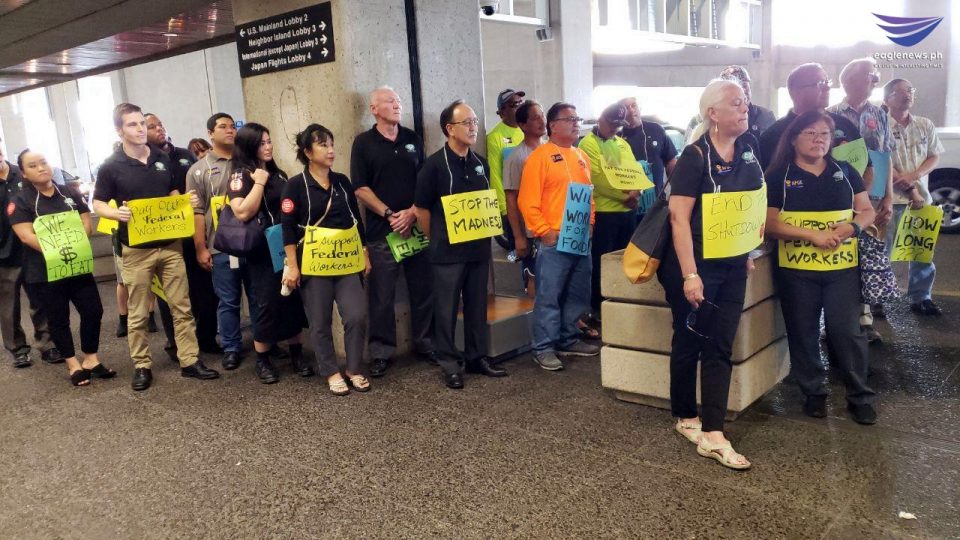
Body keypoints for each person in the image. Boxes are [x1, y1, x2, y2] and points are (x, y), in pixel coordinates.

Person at [658, 79, 763, 470]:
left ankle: (714, 433)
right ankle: (686, 415)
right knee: (689, 338)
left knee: (720, 342)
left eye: (745, 102)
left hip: (732, 263)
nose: (744, 108)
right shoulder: (694, 156)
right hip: (694, 264)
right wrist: (690, 275)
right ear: (712, 113)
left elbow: (749, 204)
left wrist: (746, 250)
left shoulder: (749, 148)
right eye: (736, 103)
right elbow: (678, 219)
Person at [93, 103, 219, 391]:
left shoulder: (161, 157)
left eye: (141, 123)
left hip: (171, 246)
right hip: (136, 249)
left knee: (182, 306)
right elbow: (97, 202)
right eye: (132, 125)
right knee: (138, 313)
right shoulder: (111, 166)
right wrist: (115, 213)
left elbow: (172, 193)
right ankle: (142, 365)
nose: (139, 129)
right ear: (119, 130)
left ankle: (189, 360)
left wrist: (185, 202)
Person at [764, 110, 877, 425]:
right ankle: (813, 392)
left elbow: (866, 210)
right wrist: (811, 236)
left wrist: (851, 228)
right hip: (796, 271)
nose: (819, 140)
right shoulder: (778, 176)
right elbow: (769, 224)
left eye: (825, 134)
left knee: (847, 331)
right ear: (794, 138)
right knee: (803, 332)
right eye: (811, 133)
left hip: (842, 270)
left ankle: (860, 395)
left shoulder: (846, 170)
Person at [415, 100, 507, 389]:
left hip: (478, 250)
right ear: (449, 129)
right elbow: (422, 210)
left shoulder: (480, 163)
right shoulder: (433, 166)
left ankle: (477, 357)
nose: (473, 127)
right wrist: (435, 239)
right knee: (446, 309)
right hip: (447, 253)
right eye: (466, 122)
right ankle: (449, 363)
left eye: (475, 122)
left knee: (477, 305)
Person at [9, 150, 115, 386]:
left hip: (77, 265)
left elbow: (85, 221)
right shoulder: (20, 201)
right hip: (45, 271)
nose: (41, 168)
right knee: (58, 319)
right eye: (33, 165)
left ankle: (91, 359)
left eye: (43, 162)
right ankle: (72, 364)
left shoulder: (68, 192)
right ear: (24, 173)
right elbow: (26, 236)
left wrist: (76, 244)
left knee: (93, 310)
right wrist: (57, 250)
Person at [351, 86, 435, 377]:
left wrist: (412, 212)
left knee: (423, 289)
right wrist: (389, 214)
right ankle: (381, 351)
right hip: (382, 232)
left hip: (415, 226)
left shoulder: (412, 138)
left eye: (398, 100)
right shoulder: (363, 143)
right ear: (374, 109)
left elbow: (425, 180)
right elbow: (360, 188)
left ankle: (426, 343)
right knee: (382, 296)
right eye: (390, 101)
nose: (397, 105)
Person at [281, 124, 371, 396]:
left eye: (331, 144)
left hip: (346, 261)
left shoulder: (342, 181)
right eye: (323, 145)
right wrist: (293, 266)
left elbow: (356, 220)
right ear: (308, 152)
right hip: (314, 264)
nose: (330, 150)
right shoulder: (295, 185)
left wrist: (364, 252)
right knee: (319, 322)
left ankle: (353, 368)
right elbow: (288, 229)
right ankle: (331, 371)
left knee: (356, 315)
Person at [518, 102, 600, 371]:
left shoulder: (581, 155)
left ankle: (568, 338)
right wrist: (544, 231)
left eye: (577, 119)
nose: (576, 123)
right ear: (553, 125)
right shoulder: (539, 157)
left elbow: (589, 195)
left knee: (577, 293)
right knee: (549, 296)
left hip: (580, 238)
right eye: (570, 119)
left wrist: (590, 223)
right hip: (553, 240)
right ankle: (543, 347)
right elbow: (526, 200)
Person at [227, 123, 309, 383]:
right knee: (267, 303)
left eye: (269, 141)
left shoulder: (278, 173)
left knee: (292, 299)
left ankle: (296, 353)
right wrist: (259, 183)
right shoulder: (241, 175)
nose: (268, 146)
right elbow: (242, 211)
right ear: (249, 146)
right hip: (261, 251)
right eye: (262, 143)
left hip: (286, 245)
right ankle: (262, 359)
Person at [828, 58, 895, 340]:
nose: (876, 79)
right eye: (870, 74)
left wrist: (889, 197)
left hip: (873, 196)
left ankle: (865, 318)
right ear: (849, 80)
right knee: (840, 254)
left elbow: (886, 156)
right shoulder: (830, 114)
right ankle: (836, 320)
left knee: (867, 257)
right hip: (839, 196)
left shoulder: (880, 114)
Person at [187, 113, 259, 371]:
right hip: (220, 245)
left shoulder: (249, 162)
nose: (230, 130)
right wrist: (200, 247)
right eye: (222, 127)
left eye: (232, 126)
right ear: (210, 133)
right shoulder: (198, 170)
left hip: (252, 242)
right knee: (228, 300)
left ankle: (264, 342)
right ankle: (231, 347)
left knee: (257, 295)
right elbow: (197, 212)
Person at [145, 113, 220, 355]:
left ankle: (207, 339)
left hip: (192, 234)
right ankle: (176, 343)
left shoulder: (184, 155)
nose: (159, 128)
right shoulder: (145, 162)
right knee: (170, 295)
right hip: (166, 238)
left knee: (205, 291)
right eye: (152, 126)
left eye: (160, 124)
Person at [883, 79, 944, 316]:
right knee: (883, 252)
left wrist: (914, 176)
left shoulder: (924, 124)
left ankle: (921, 297)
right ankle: (878, 298)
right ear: (887, 99)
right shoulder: (880, 125)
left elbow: (934, 156)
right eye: (899, 92)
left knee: (921, 252)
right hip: (889, 199)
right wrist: (906, 183)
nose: (907, 95)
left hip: (921, 201)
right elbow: (881, 159)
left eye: (910, 90)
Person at [578, 103, 640, 317]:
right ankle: (598, 307)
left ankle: (620, 303)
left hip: (627, 213)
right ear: (601, 119)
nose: (615, 128)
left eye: (619, 125)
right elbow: (598, 178)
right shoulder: (588, 144)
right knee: (601, 262)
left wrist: (637, 191)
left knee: (624, 261)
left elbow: (635, 171)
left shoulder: (622, 144)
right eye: (612, 124)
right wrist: (626, 197)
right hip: (604, 213)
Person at [0, 138, 58, 367]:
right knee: (8, 304)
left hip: (33, 247)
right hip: (4, 253)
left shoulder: (24, 173)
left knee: (40, 298)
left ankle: (47, 344)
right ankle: (17, 348)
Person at [758, 63, 863, 171]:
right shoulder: (773, 136)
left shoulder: (844, 125)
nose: (827, 88)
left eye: (827, 82)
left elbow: (867, 167)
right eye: (820, 83)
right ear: (796, 92)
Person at [502, 100, 546, 295]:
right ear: (522, 125)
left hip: (552, 227)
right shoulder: (516, 157)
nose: (542, 121)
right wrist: (519, 237)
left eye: (542, 115)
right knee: (534, 275)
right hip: (530, 232)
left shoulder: (551, 150)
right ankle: (535, 312)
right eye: (535, 117)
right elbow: (511, 199)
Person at [487, 89, 526, 249]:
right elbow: (495, 175)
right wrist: (503, 208)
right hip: (512, 205)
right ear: (502, 112)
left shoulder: (528, 129)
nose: (520, 107)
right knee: (516, 251)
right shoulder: (495, 137)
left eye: (521, 103)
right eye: (514, 104)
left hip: (530, 203)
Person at [618, 97, 679, 196]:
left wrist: (677, 191)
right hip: (630, 201)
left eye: (634, 105)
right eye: (626, 108)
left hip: (658, 199)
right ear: (621, 114)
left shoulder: (656, 129)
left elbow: (671, 161)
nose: (631, 110)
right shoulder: (616, 138)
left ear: (639, 108)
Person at [720, 65, 777, 137]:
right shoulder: (718, 118)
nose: (742, 91)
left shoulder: (766, 116)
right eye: (737, 87)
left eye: (744, 85)